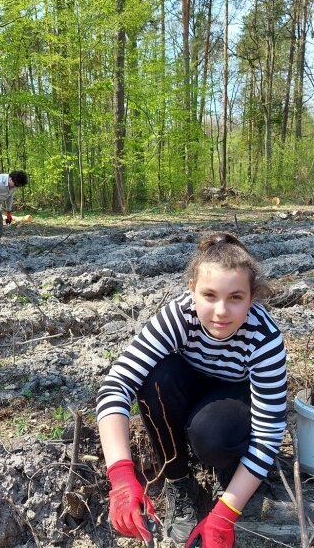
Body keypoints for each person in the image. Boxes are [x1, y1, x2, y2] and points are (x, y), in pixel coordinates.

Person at [96, 233, 287, 548]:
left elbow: (269, 434)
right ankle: (178, 481)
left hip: (233, 395)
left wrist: (228, 512)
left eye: (236, 297)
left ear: (252, 298)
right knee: (154, 378)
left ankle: (229, 478)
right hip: (187, 384)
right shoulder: (179, 315)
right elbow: (117, 384)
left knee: (214, 435)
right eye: (209, 295)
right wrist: (120, 476)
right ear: (192, 291)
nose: (221, 311)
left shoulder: (264, 338)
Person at [0, 170, 28, 250]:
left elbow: (9, 197)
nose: (15, 187)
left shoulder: (14, 185)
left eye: (18, 185)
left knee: (0, 231)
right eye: (16, 184)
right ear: (10, 178)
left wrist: (8, 212)